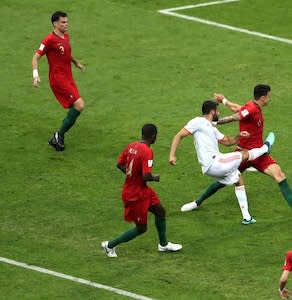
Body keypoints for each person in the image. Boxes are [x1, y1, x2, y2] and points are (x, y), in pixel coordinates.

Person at [210, 84, 292, 221]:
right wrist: (215, 123)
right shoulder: (252, 108)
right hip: (244, 154)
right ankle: (197, 202)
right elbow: (236, 117)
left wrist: (224, 101)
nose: (269, 99)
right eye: (268, 97)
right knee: (224, 180)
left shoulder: (252, 107)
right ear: (263, 98)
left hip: (258, 154)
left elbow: (238, 109)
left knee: (279, 175)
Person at [169, 100, 275, 224]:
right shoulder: (197, 122)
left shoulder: (212, 129)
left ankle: (247, 217)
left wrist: (239, 136)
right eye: (217, 111)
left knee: (238, 177)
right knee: (243, 155)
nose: (219, 113)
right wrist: (172, 155)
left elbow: (228, 142)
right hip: (215, 163)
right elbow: (178, 135)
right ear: (212, 111)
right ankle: (265, 148)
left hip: (211, 167)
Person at [101, 124, 182, 257]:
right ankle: (109, 245)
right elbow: (146, 175)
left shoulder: (131, 146)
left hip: (143, 190)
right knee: (141, 228)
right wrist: (155, 177)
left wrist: (131, 174)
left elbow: (119, 164)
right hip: (134, 195)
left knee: (160, 211)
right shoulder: (147, 151)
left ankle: (163, 245)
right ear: (153, 136)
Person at [32, 11, 86, 151]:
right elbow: (35, 57)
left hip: (68, 77)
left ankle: (58, 137)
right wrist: (35, 75)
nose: (66, 24)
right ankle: (58, 135)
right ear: (55, 23)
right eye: (63, 22)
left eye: (67, 21)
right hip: (58, 79)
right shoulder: (49, 40)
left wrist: (76, 63)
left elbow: (66, 52)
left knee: (75, 107)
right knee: (79, 105)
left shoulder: (65, 36)